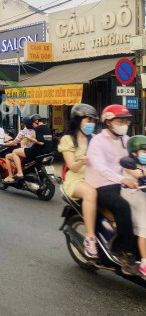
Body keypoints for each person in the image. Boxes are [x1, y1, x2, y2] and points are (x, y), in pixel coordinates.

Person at [85, 104, 137, 275]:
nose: (124, 124)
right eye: (120, 121)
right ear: (108, 122)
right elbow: (100, 168)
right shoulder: (97, 142)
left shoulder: (127, 140)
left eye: (125, 121)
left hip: (123, 182)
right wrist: (123, 179)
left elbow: (135, 160)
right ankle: (124, 250)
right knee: (123, 206)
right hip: (102, 184)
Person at [57, 103, 99, 259]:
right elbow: (72, 167)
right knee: (90, 193)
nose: (91, 124)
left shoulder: (95, 138)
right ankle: (90, 238)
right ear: (78, 120)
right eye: (88, 120)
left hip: (95, 177)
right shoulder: (67, 140)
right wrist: (82, 161)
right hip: (76, 179)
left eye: (93, 121)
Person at [120, 135, 146, 278]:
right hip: (131, 194)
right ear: (134, 153)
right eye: (144, 151)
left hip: (142, 194)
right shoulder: (129, 164)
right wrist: (142, 175)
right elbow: (138, 176)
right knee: (144, 227)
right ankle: (144, 263)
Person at [10, 114, 54, 187]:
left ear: (36, 121)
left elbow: (41, 142)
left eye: (32, 123)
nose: (32, 125)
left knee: (15, 152)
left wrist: (30, 138)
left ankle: (20, 173)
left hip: (37, 151)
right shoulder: (47, 128)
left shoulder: (39, 129)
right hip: (48, 151)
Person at [3, 116, 36, 182]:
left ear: (24, 123)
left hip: (24, 152)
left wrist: (5, 144)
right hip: (34, 151)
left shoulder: (23, 132)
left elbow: (14, 142)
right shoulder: (35, 131)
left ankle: (11, 176)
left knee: (7, 156)